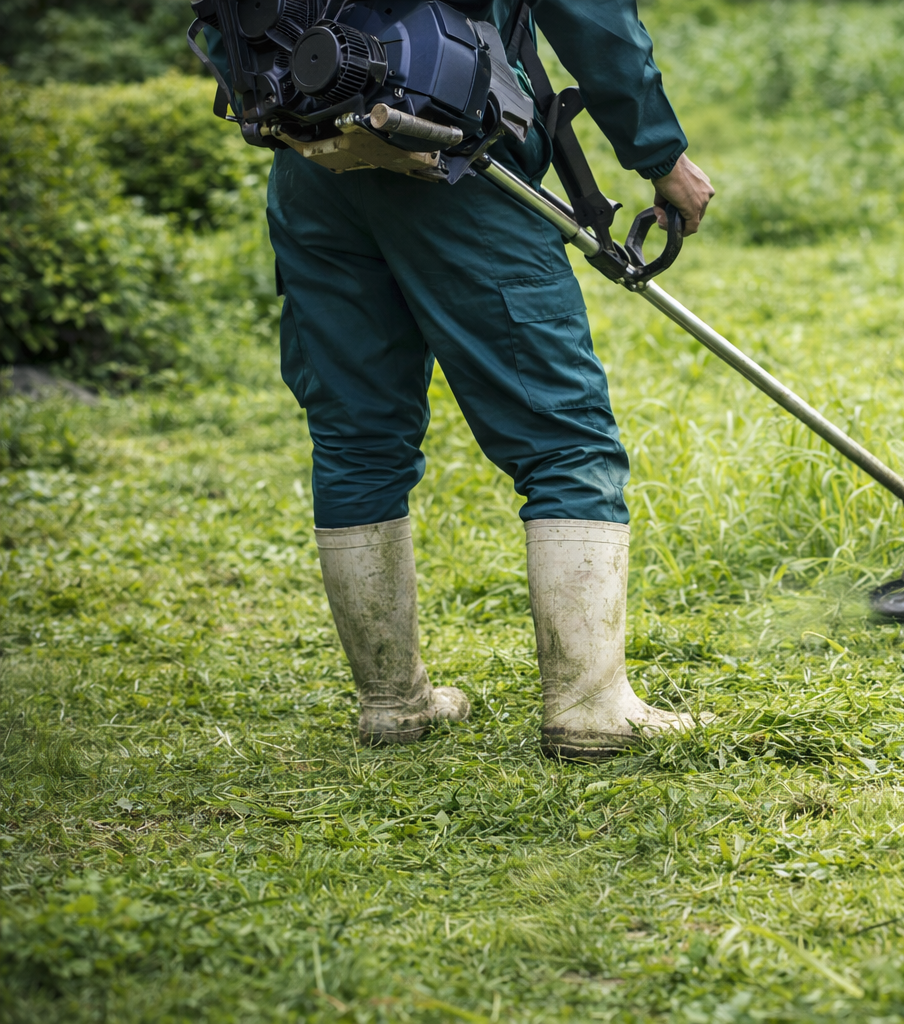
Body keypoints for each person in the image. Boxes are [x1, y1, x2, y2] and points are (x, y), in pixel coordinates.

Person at [215, 0, 715, 756]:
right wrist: (661, 153)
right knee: (564, 439)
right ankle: (589, 709)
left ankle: (392, 702)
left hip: (315, 154)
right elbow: (591, 17)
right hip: (454, 158)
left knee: (355, 435)